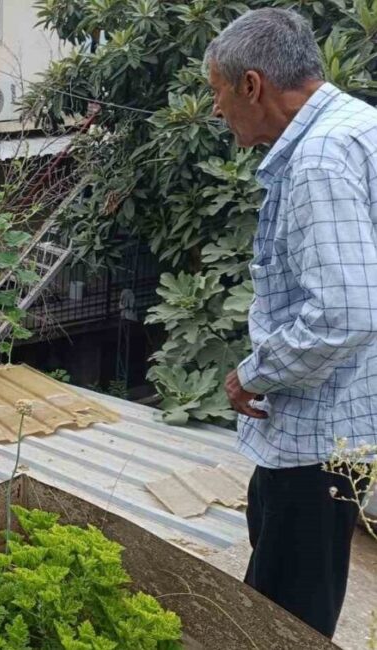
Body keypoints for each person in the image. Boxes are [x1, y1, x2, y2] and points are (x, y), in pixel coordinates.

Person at [209, 8, 376, 637]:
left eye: (218, 92)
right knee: (288, 577)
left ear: (252, 85)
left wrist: (253, 374)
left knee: (284, 620)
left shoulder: (319, 160)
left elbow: (344, 313)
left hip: (320, 435)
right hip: (348, 421)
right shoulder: (359, 126)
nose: (217, 110)